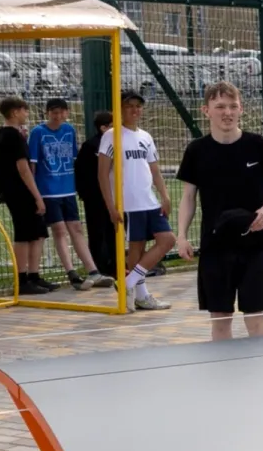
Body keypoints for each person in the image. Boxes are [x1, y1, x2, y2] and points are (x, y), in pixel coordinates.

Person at [175, 81, 263, 340]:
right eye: (220, 106)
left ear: (241, 109)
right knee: (220, 320)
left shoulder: (258, 144)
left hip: (255, 245)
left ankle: (261, 373)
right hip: (215, 246)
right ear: (206, 110)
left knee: (256, 320)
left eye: (233, 106)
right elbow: (188, 197)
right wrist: (181, 235)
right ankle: (223, 373)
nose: (227, 112)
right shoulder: (197, 150)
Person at [96, 91, 175, 311]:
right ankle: (141, 295)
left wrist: (165, 196)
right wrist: (111, 207)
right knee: (136, 249)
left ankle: (128, 283)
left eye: (138, 106)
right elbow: (102, 174)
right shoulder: (111, 136)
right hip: (128, 204)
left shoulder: (145, 137)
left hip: (148, 201)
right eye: (129, 106)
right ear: (119, 109)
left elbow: (155, 170)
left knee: (167, 240)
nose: (134, 110)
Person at [29, 98, 112, 289]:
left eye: (61, 112)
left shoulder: (69, 131)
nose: (57, 116)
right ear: (47, 113)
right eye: (53, 112)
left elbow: (74, 159)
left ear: (67, 112)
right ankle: (71, 273)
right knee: (59, 230)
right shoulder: (38, 133)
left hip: (67, 189)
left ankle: (93, 271)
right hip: (48, 191)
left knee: (76, 228)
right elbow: (32, 163)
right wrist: (36, 194)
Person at [0, 97, 55, 295]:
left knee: (38, 232)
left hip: (13, 190)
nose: (26, 114)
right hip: (19, 191)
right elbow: (23, 168)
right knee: (24, 233)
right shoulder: (11, 136)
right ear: (14, 112)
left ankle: (34, 275)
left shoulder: (3, 134)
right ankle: (22, 278)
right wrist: (37, 195)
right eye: (24, 110)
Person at [75, 110, 118, 279]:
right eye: (113, 125)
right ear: (103, 128)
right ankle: (99, 266)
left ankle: (115, 264)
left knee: (113, 230)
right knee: (97, 231)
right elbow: (82, 172)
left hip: (114, 196)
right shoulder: (91, 146)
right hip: (95, 197)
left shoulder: (119, 144)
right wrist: (86, 194)